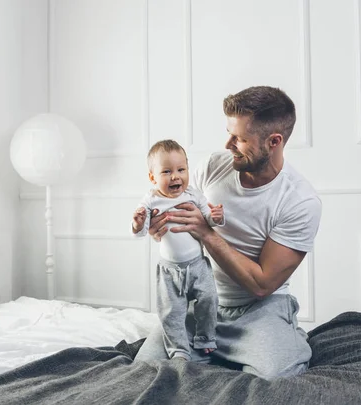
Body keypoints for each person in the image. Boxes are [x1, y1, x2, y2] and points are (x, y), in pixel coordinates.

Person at [134, 86, 322, 380]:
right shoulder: (212, 166)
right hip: (204, 304)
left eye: (240, 138)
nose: (228, 143)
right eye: (229, 133)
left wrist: (207, 233)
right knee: (145, 371)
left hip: (259, 309)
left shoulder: (299, 201)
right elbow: (178, 226)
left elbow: (262, 284)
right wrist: (160, 230)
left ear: (274, 141)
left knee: (280, 378)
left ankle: (286, 333)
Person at [132, 140, 225, 361]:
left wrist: (217, 217)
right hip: (169, 271)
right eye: (167, 171)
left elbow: (208, 219)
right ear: (153, 178)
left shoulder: (193, 195)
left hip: (198, 264)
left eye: (181, 170)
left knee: (209, 298)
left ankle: (206, 337)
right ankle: (178, 349)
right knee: (171, 312)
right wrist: (137, 223)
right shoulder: (151, 200)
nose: (176, 176)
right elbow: (141, 231)